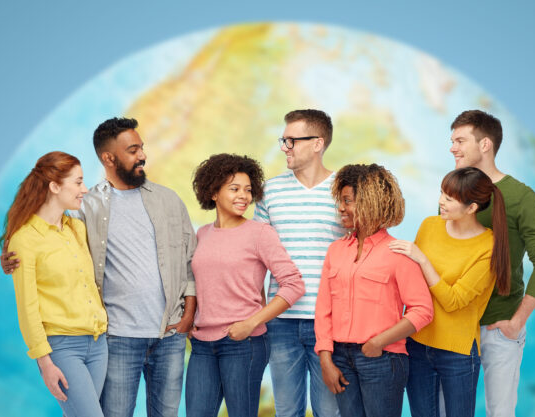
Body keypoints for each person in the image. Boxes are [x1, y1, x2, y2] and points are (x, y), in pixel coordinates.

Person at [1, 117, 197, 417]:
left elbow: (189, 259)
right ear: (109, 158)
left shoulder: (167, 202)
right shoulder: (86, 207)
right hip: (115, 337)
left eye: (141, 148)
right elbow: (38, 244)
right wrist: (10, 252)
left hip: (161, 335)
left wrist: (189, 312)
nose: (142, 155)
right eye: (133, 150)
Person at [447, 110, 535, 417]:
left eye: (459, 140)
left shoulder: (521, 197)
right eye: (451, 141)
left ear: (485, 145)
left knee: (500, 412)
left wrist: (517, 320)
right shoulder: (452, 193)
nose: (453, 148)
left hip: (499, 326)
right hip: (455, 328)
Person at [185, 153, 305, 417]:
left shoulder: (259, 233)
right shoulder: (202, 234)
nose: (244, 196)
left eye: (248, 190)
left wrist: (251, 323)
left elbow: (294, 284)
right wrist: (191, 318)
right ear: (213, 192)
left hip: (244, 343)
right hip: (203, 344)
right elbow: (199, 281)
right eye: (235, 189)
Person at [388, 167, 510, 417]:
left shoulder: (489, 247)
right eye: (442, 193)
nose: (441, 202)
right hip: (417, 343)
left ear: (472, 208)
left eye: (449, 198)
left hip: (457, 351)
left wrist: (422, 260)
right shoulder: (429, 225)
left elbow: (454, 301)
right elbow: (411, 284)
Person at [314, 163, 434, 417]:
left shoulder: (398, 253)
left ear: (370, 203)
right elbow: (323, 309)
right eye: (341, 200)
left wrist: (379, 341)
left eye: (347, 201)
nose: (341, 208)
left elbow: (422, 310)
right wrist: (325, 359)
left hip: (383, 359)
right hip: (340, 358)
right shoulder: (336, 251)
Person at [253, 109, 344, 417]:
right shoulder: (270, 191)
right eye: (284, 139)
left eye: (291, 140)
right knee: (287, 411)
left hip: (331, 322)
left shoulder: (344, 190)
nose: (284, 147)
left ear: (317, 143)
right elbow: (257, 258)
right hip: (281, 322)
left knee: (328, 412)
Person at [2, 151, 108, 417]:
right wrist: (44, 362)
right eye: (78, 182)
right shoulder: (24, 240)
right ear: (54, 186)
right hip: (62, 347)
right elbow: (27, 307)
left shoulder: (76, 229)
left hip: (98, 344)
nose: (84, 190)